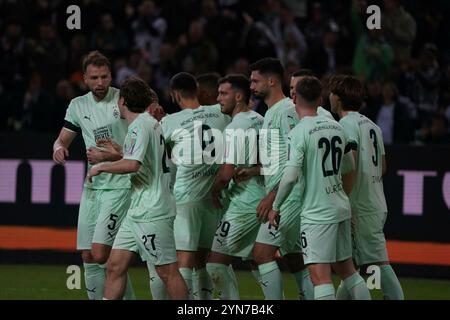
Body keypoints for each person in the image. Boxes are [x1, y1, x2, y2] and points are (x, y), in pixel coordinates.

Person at [268, 76, 371, 300]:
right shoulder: (336, 127)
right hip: (340, 207)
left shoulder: (299, 132)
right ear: (320, 99)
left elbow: (290, 176)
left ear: (294, 98)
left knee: (319, 276)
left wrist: (276, 206)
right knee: (348, 271)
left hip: (317, 212)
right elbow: (349, 165)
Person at [87, 76, 188, 300]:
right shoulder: (147, 124)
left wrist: (102, 167)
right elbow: (143, 159)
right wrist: (121, 152)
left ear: (122, 101)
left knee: (167, 271)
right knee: (115, 265)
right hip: (137, 211)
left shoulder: (140, 126)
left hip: (153, 211)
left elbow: (133, 165)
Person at [52, 51, 135, 300]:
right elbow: (63, 138)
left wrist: (109, 157)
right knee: (88, 255)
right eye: (94, 78)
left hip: (120, 185)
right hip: (93, 186)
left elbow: (141, 148)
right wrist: (59, 148)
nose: (100, 83)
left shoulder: (124, 100)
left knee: (102, 254)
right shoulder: (78, 105)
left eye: (104, 77)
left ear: (111, 75)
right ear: (84, 79)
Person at [241, 58, 313, 300]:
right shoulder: (272, 112)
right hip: (284, 194)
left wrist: (273, 197)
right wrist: (255, 171)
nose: (251, 86)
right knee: (295, 259)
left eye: (255, 81)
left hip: (288, 197)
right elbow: (279, 158)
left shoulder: (285, 112)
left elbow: (297, 158)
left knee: (261, 254)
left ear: (272, 81)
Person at [329, 75, 404, 300]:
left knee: (378, 263)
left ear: (338, 98)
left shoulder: (345, 125)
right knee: (356, 267)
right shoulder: (372, 125)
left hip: (360, 207)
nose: (329, 97)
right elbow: (382, 166)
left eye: (332, 93)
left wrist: (343, 200)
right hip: (374, 202)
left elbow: (350, 162)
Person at [160, 72, 230, 299]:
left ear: (175, 95)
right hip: (213, 198)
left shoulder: (170, 121)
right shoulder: (220, 114)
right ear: (196, 90)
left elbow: (154, 153)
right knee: (203, 259)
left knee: (184, 260)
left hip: (186, 199)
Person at [207, 74, 265, 299]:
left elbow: (226, 174)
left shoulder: (235, 126)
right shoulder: (260, 119)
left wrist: (213, 191)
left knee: (215, 262)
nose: (218, 98)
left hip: (244, 201)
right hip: (262, 195)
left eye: (224, 94)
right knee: (259, 260)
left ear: (239, 96)